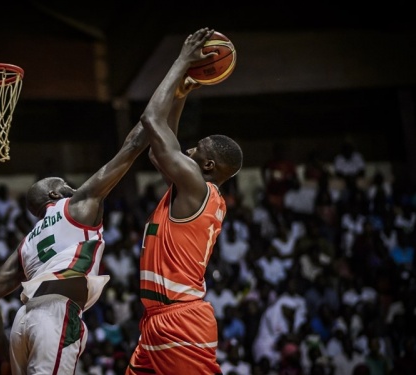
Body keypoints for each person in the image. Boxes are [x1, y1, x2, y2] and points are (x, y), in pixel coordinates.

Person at [0, 59, 158, 374]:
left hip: (22, 321)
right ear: (54, 195)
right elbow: (131, 147)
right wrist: (167, 94)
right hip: (56, 315)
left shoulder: (28, 242)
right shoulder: (78, 205)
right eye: (65, 185)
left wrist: (5, 354)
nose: (73, 187)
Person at [125, 28, 243, 375]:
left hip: (179, 323)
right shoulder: (195, 190)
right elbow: (164, 153)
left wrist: (182, 62)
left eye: (196, 150)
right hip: (160, 320)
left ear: (207, 166)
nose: (187, 150)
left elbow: (151, 122)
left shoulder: (196, 188)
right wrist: (179, 94)